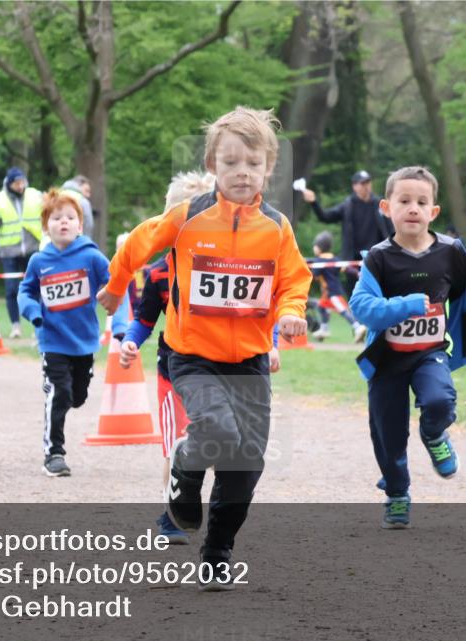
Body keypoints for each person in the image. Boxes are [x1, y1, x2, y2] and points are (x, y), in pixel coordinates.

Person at [99, 107, 312, 591]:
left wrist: (290, 312)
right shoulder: (189, 216)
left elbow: (294, 279)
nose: (242, 172)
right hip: (192, 353)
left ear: (268, 169)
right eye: (231, 162)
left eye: (252, 164)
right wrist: (115, 286)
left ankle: (217, 550)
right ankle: (186, 467)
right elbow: (138, 243)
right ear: (213, 165)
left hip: (251, 360)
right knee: (215, 427)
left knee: (247, 460)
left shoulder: (276, 228)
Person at [349, 166, 466, 529]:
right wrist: (405, 306)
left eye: (421, 202)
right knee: (388, 433)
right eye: (404, 201)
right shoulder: (378, 258)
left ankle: (434, 434)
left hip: (429, 353)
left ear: (434, 212)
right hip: (387, 360)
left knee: (439, 400)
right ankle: (397, 493)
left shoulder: (450, 252)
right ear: (386, 208)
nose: (412, 208)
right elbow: (362, 308)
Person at [119, 170, 216, 545]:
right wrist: (130, 341)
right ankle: (172, 514)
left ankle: (203, 504)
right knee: (178, 445)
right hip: (172, 372)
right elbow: (143, 318)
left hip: (219, 371)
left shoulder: (224, 268)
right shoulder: (159, 273)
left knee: (211, 445)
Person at [18, 189, 111, 478]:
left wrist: (118, 320)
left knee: (78, 395)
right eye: (57, 218)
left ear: (80, 225)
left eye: (71, 218)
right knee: (59, 393)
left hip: (83, 341)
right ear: (47, 226)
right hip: (53, 339)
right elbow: (26, 291)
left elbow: (115, 286)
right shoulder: (38, 261)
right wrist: (33, 312)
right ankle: (54, 453)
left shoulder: (92, 258)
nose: (64, 223)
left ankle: (63, 394)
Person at [302, 170, 394, 296]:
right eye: (362, 183)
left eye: (368, 182)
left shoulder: (379, 205)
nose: (366, 186)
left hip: (376, 257)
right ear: (355, 186)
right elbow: (325, 217)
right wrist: (313, 202)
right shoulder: (348, 205)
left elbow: (391, 229)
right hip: (353, 261)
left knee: (377, 294)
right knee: (355, 296)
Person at [0, 167, 43, 339]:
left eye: (22, 181)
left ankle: (37, 326)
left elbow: (49, 213)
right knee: (11, 289)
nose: (20, 185)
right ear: (10, 184)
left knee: (37, 288)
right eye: (17, 182)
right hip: (9, 252)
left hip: (33, 249)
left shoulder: (36, 195)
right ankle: (15, 326)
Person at [308, 231, 367, 343]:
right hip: (327, 293)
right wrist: (356, 272)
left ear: (319, 247)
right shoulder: (334, 259)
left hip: (332, 292)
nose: (314, 248)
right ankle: (324, 329)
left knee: (343, 311)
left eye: (315, 245)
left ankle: (358, 327)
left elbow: (314, 276)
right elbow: (346, 268)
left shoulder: (319, 260)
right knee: (321, 306)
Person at [61, 175, 94, 240]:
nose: (88, 195)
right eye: (86, 191)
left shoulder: (55, 197)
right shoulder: (83, 201)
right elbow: (89, 224)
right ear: (78, 186)